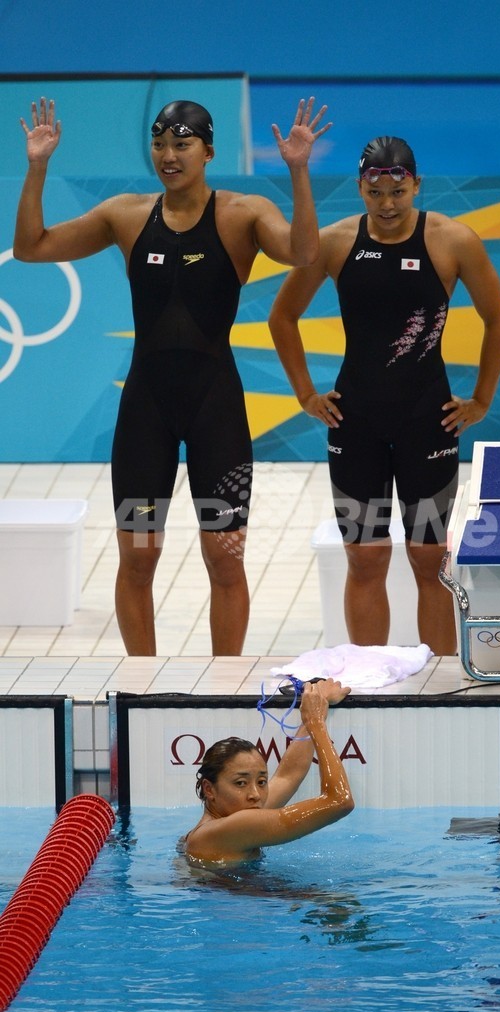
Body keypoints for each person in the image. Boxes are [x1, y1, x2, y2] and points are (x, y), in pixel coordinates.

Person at [14, 96, 331, 657]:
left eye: (181, 144)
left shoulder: (243, 214)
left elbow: (305, 253)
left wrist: (299, 171)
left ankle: (226, 686)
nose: (168, 154)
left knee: (224, 559)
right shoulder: (127, 215)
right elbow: (31, 247)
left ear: (208, 151)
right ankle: (140, 684)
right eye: (160, 143)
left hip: (217, 408)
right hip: (147, 411)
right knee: (138, 558)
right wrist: (37, 167)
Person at [268, 136, 500, 655]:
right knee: (365, 558)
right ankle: (368, 680)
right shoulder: (336, 243)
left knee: (430, 560)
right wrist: (306, 394)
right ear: (360, 188)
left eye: (397, 192)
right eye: (375, 192)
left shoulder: (453, 240)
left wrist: (482, 399)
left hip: (429, 422)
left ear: (416, 186)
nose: (386, 204)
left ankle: (443, 685)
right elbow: (281, 316)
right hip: (355, 425)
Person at [184, 677, 354, 863]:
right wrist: (316, 723)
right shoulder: (230, 828)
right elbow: (340, 801)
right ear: (209, 789)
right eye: (240, 783)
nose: (255, 794)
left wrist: (317, 705)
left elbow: (288, 775)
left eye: (261, 782)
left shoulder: (234, 814)